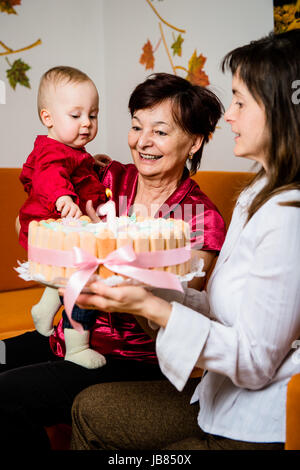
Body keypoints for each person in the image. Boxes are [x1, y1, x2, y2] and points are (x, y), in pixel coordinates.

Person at [69, 30, 300, 451]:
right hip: (217, 396)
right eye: (137, 126)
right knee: (90, 408)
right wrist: (149, 286)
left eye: (240, 101)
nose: (228, 116)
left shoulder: (288, 217)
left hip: (256, 424)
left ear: (281, 111)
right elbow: (218, 307)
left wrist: (148, 305)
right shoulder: (255, 196)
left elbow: (254, 362)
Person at [0, 73, 225, 449]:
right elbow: (39, 203)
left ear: (195, 141)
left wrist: (129, 280)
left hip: (131, 361)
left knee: (6, 395)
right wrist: (41, 224)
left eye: (161, 131)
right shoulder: (106, 177)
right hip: (67, 337)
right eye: (136, 126)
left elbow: (177, 320)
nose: (143, 142)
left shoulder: (199, 219)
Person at [18, 65, 109, 368]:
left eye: (92, 115)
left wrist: (91, 164)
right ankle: (76, 345)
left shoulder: (69, 150)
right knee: (82, 283)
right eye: (76, 115)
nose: (86, 123)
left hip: (62, 232)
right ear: (48, 118)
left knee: (70, 278)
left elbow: (72, 168)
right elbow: (48, 176)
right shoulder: (51, 152)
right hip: (54, 228)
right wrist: (62, 197)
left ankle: (44, 310)